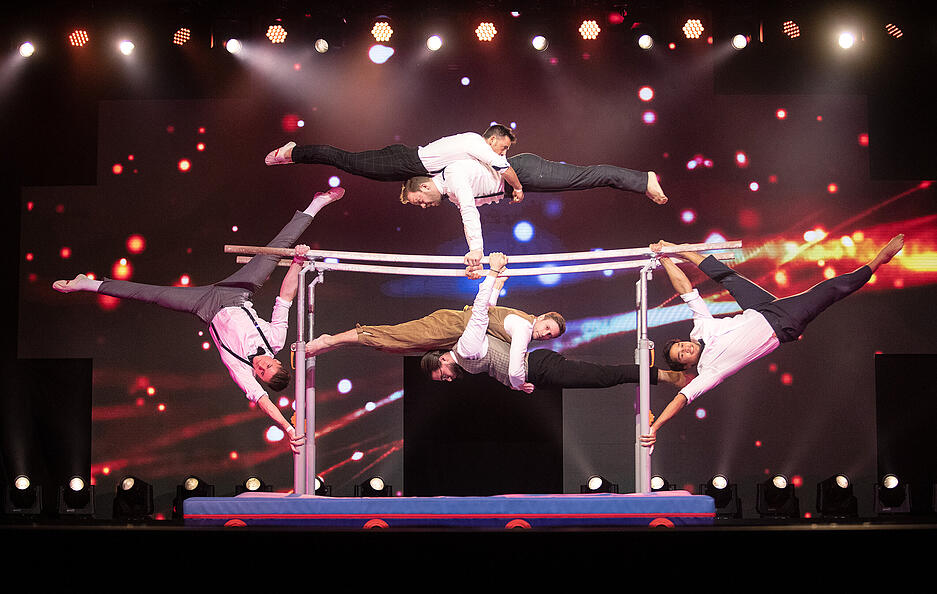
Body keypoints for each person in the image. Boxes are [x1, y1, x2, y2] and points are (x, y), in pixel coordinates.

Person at [52, 187, 346, 453]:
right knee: (276, 249)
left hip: (205, 307)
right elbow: (285, 296)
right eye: (268, 366)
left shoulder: (242, 373)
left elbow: (264, 403)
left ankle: (87, 284)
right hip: (237, 293)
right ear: (278, 361)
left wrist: (289, 428)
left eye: (261, 373)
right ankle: (315, 204)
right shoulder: (276, 340)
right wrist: (295, 263)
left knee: (150, 294)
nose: (260, 366)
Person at [640, 234, 906, 448]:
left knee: (728, 278)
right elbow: (682, 398)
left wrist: (665, 256)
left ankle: (680, 247)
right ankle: (879, 260)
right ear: (687, 365)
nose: (685, 349)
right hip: (784, 323)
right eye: (682, 355)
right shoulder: (709, 371)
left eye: (680, 346)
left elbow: (687, 290)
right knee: (830, 290)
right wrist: (655, 428)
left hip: (760, 308)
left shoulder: (700, 328)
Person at [421, 252, 688, 392]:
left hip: (538, 368)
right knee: (603, 378)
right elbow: (488, 314)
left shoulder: (465, 350)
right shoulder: (467, 356)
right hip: (539, 370)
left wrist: (492, 274)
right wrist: (497, 283)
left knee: (605, 377)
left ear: (442, 359)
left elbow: (480, 312)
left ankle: (665, 375)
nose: (447, 379)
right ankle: (661, 376)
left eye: (441, 375)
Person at [265, 124, 668, 206]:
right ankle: (294, 151)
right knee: (348, 161)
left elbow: (499, 174)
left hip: (406, 162)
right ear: (495, 137)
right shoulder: (477, 143)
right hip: (405, 161)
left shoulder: (485, 158)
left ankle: (640, 179)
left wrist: (517, 187)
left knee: (583, 178)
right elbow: (496, 170)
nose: (503, 150)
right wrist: (513, 184)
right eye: (504, 144)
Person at [306, 267, 565, 390]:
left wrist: (496, 283)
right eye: (547, 328)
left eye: (549, 336)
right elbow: (482, 314)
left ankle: (334, 342)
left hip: (459, 332)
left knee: (396, 349)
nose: (544, 335)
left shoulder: (522, 322)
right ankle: (328, 341)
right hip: (451, 326)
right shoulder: (522, 328)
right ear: (541, 317)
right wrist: (492, 276)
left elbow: (490, 314)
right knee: (394, 339)